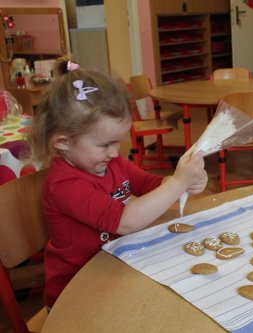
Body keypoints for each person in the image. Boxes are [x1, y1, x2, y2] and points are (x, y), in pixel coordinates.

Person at [28, 56, 208, 309]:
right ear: (63, 142)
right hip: (76, 292)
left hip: (115, 267)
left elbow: (148, 184)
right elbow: (126, 222)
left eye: (117, 142)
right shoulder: (64, 185)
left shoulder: (108, 161)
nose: (114, 153)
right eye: (105, 144)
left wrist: (182, 181)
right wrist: (177, 183)